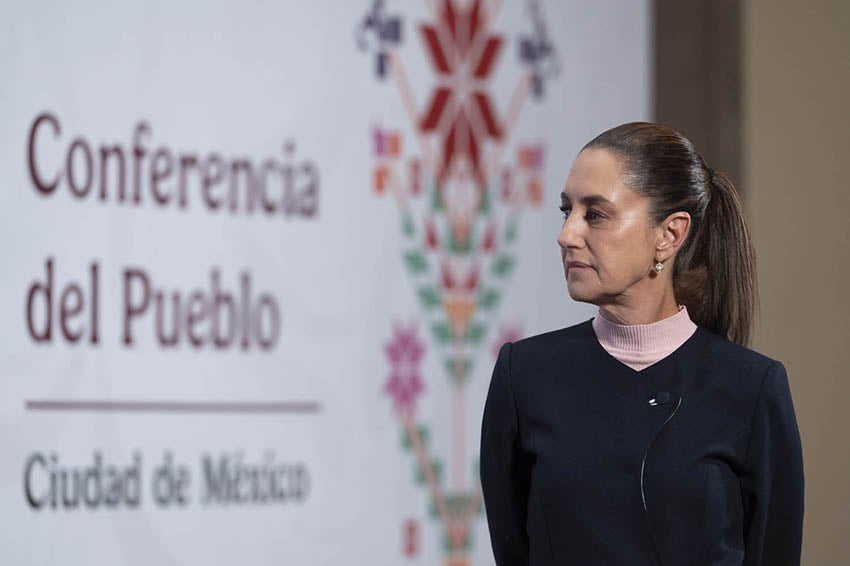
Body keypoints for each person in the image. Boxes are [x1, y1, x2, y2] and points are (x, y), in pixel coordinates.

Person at [479, 122, 804, 565]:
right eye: (566, 210)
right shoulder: (525, 375)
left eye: (595, 214)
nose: (567, 234)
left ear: (669, 235)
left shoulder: (753, 387)